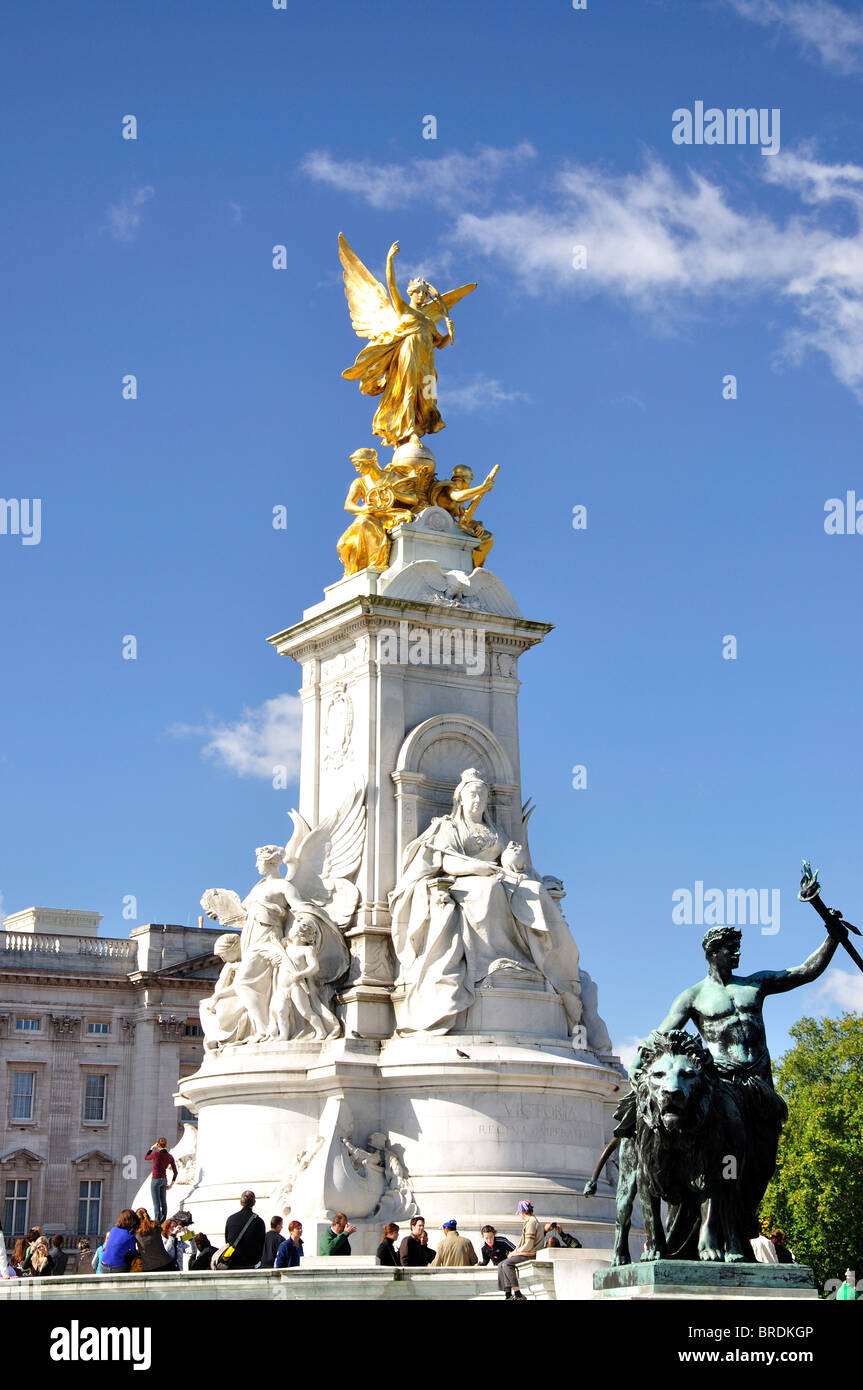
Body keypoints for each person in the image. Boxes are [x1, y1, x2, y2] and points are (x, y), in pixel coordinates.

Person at [498, 1201, 543, 1301]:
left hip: (531, 1253)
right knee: (501, 1264)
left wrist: (516, 1253)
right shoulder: (529, 1221)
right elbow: (523, 1243)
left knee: (507, 1264)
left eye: (519, 1212)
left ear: (522, 1212)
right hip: (527, 1251)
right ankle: (508, 1295)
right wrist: (515, 1251)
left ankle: (518, 1294)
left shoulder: (531, 1222)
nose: (519, 1215)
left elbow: (528, 1245)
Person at [224, 1191, 266, 1270]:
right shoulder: (259, 1221)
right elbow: (262, 1244)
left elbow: (227, 1241)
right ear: (254, 1203)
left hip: (233, 1263)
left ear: (240, 1202)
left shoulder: (231, 1219)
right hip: (252, 1264)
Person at [145, 1138, 178, 1224]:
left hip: (156, 1179)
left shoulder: (156, 1154)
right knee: (163, 1202)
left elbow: (146, 1157)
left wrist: (151, 1148)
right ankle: (163, 1220)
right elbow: (175, 1172)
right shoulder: (170, 1156)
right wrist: (171, 1184)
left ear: (158, 1145)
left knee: (156, 1203)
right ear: (166, 1145)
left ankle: (157, 1222)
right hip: (164, 1180)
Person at [100, 1210, 140, 1274]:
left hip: (103, 1266)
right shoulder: (130, 1236)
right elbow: (134, 1253)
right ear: (132, 1221)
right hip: (117, 1268)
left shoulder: (113, 1230)